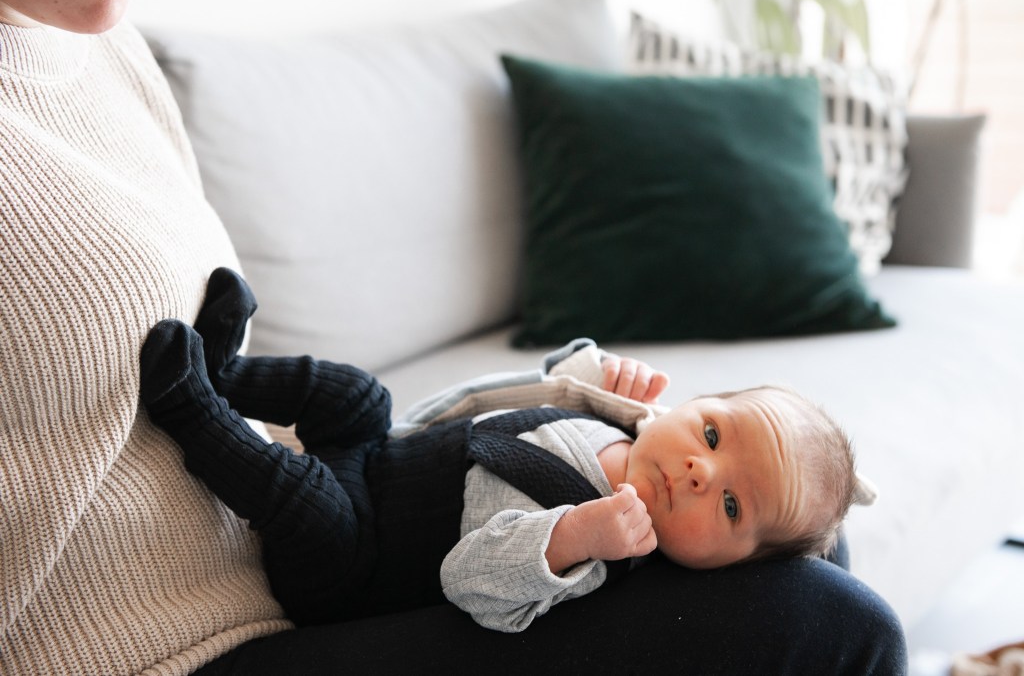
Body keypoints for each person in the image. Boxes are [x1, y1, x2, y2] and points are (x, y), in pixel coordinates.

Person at [0, 0, 907, 674]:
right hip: (174, 645)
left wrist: (597, 400)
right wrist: (574, 531)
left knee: (812, 532)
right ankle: (196, 406)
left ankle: (221, 375)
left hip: (303, 530)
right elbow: (489, 547)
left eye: (724, 492)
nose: (702, 468)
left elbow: (543, 402)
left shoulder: (108, 49)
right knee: (839, 624)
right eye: (708, 432)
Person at [139, 268, 873, 633]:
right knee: (358, 396)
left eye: (732, 505)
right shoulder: (623, 422)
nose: (699, 471)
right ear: (692, 404)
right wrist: (588, 372)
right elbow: (522, 397)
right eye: (711, 433)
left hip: (353, 558)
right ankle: (227, 372)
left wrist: (574, 537)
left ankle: (193, 409)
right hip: (383, 456)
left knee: (304, 501)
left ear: (731, 571)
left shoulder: (601, 558)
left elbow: (470, 581)